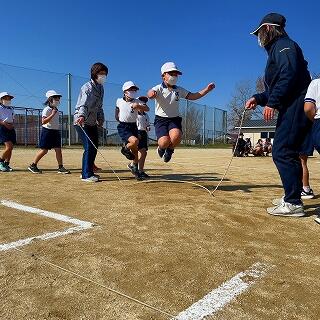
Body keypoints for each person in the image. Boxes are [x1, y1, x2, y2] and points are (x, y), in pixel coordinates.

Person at [246, 13, 312, 217]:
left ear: (267, 29)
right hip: (291, 104)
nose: (258, 37)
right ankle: (292, 196)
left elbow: (289, 74)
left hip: (295, 104)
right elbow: (277, 86)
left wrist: (273, 102)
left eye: (259, 32)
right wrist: (259, 98)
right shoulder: (278, 48)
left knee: (282, 151)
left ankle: (293, 203)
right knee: (289, 153)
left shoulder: (284, 46)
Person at [148, 62, 215, 162]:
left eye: (176, 74)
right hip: (161, 120)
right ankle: (161, 148)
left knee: (177, 136)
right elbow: (150, 93)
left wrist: (207, 90)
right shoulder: (159, 88)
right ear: (163, 76)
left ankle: (170, 150)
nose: (174, 76)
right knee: (164, 142)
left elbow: (193, 96)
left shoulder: (179, 90)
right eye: (171, 73)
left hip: (174, 119)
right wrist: (151, 94)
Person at [74, 62, 108, 182]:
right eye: (101, 73)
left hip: (92, 122)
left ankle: (88, 171)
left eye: (105, 74)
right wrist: (81, 116)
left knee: (94, 147)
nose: (103, 76)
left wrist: (100, 118)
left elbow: (99, 106)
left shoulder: (101, 88)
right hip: (81, 121)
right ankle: (86, 175)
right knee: (89, 146)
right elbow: (83, 103)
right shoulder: (87, 87)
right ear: (94, 74)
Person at [28, 90, 70, 174]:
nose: (58, 100)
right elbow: (43, 121)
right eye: (56, 99)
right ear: (50, 100)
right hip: (47, 131)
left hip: (55, 132)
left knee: (58, 150)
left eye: (58, 99)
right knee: (44, 150)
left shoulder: (56, 110)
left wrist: (54, 113)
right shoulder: (46, 109)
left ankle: (60, 167)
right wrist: (52, 114)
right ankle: (33, 165)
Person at [115, 81, 149, 180]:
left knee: (135, 149)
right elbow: (117, 111)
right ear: (125, 91)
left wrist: (138, 106)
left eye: (134, 90)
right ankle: (125, 148)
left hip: (133, 126)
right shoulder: (119, 101)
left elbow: (147, 108)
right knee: (135, 141)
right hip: (123, 126)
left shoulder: (136, 101)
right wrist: (119, 118)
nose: (133, 91)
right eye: (130, 89)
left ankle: (134, 167)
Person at [304, 77, 320, 223]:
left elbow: (308, 108)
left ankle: (305, 188)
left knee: (301, 161)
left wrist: (313, 119)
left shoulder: (315, 83)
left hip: (317, 123)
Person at [127, 96, 151, 179]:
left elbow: (147, 125)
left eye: (145, 101)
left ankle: (141, 170)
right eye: (141, 101)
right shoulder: (134, 114)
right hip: (136, 133)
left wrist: (147, 128)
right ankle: (134, 166)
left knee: (144, 153)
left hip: (144, 134)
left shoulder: (146, 115)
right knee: (136, 152)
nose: (144, 102)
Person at [0, 92, 16, 172]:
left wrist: (12, 125)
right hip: (3, 128)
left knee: (11, 148)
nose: (8, 100)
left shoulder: (11, 109)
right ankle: (1, 162)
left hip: (11, 128)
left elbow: (12, 119)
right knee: (9, 147)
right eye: (5, 98)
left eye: (9, 98)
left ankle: (6, 164)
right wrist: (4, 124)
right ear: (1, 99)